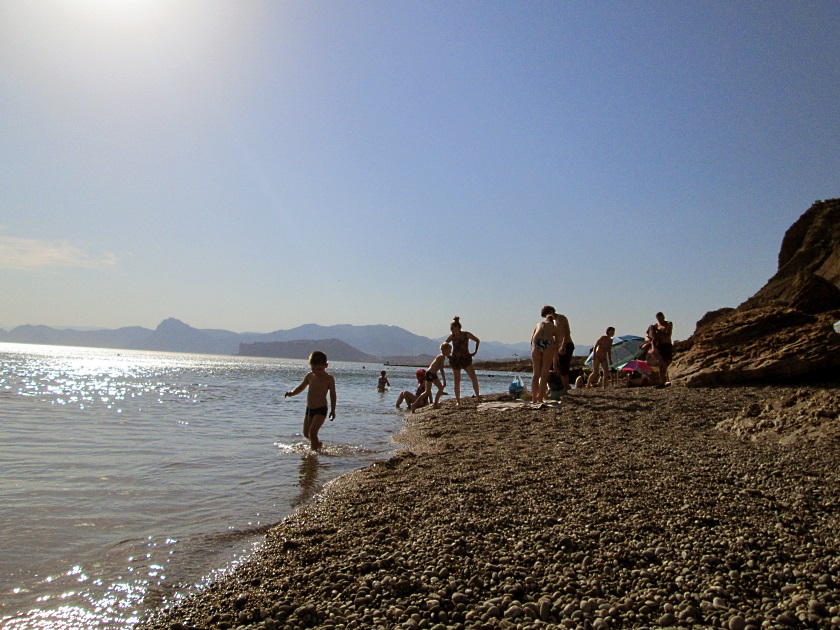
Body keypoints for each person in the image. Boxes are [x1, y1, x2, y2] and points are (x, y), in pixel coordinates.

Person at [284, 350, 336, 451]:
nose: (316, 371)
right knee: (306, 434)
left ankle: (313, 457)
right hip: (309, 409)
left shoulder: (329, 378)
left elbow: (333, 394)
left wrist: (333, 410)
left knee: (312, 432)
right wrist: (291, 393)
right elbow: (301, 387)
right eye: (313, 368)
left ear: (326, 365)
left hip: (321, 409)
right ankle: (317, 445)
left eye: (319, 369)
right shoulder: (310, 376)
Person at [444, 316, 481, 404]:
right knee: (457, 380)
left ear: (457, 327)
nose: (451, 329)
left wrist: (475, 351)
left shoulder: (466, 334)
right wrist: (447, 354)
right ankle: (458, 400)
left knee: (473, 377)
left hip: (465, 358)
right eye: (450, 328)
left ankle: (478, 397)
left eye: (452, 328)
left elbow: (477, 340)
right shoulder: (452, 337)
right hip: (455, 360)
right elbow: (444, 344)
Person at [530, 306, 558, 403]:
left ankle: (534, 398)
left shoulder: (538, 324)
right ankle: (540, 398)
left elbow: (531, 339)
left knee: (536, 373)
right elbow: (557, 344)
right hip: (548, 342)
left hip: (536, 342)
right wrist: (555, 363)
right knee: (544, 373)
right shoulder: (554, 327)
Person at [412, 344, 450, 412]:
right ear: (445, 350)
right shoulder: (441, 357)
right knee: (427, 391)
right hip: (430, 374)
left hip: (433, 374)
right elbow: (441, 369)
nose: (450, 352)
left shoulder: (442, 357)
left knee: (440, 388)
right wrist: (444, 380)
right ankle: (414, 404)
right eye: (449, 351)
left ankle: (435, 404)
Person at [648, 312, 674, 386]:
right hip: (659, 345)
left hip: (667, 344)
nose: (660, 320)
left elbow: (667, 335)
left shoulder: (668, 324)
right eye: (659, 319)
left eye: (661, 318)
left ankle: (668, 379)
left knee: (668, 362)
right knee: (661, 363)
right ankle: (663, 381)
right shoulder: (655, 325)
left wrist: (658, 331)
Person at [553, 313, 575, 391]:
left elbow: (567, 332)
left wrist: (563, 346)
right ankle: (564, 386)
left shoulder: (560, 318)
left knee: (564, 367)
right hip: (561, 345)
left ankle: (565, 386)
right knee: (560, 366)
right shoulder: (556, 320)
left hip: (566, 344)